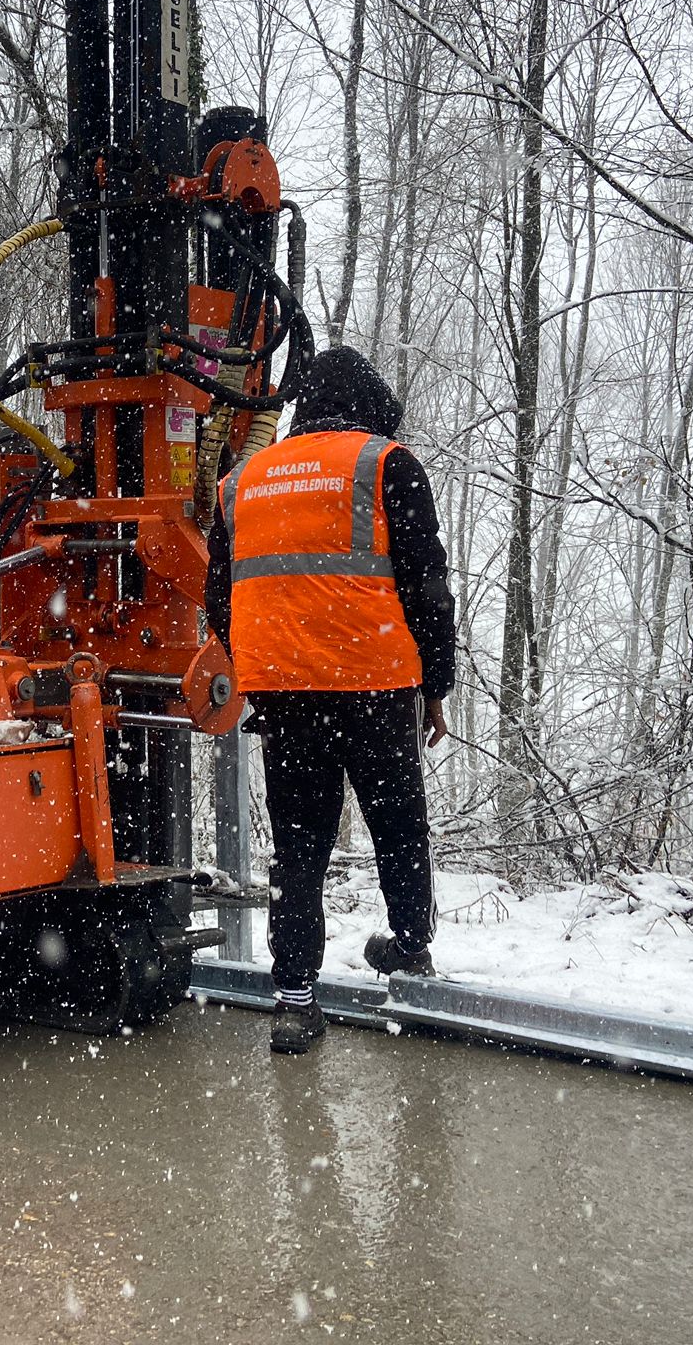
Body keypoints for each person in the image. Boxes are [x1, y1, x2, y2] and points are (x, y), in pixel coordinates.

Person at [207, 346, 457, 1054]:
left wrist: (267, 665)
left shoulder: (241, 482)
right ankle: (409, 948)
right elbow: (427, 589)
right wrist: (436, 685)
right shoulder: (387, 464)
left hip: (286, 697)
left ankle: (294, 1002)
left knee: (299, 851)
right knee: (399, 830)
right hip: (375, 688)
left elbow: (218, 601)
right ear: (371, 402)